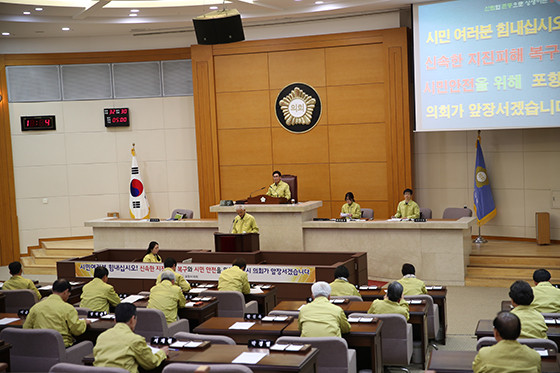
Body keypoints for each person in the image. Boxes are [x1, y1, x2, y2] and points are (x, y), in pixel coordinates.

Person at [93, 303, 168, 373]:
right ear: (132, 319)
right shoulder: (135, 340)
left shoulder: (102, 336)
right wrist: (162, 352)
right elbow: (151, 363)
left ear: (115, 320)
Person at [23, 279, 90, 347]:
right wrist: (84, 322)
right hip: (61, 347)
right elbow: (76, 330)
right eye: (69, 294)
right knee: (88, 345)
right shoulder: (68, 308)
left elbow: (26, 328)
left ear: (53, 290)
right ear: (65, 292)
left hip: (39, 347)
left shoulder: (36, 307)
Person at [472, 311, 541, 373]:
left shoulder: (484, 354)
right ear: (519, 332)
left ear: (496, 333)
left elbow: (476, 370)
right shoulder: (534, 356)